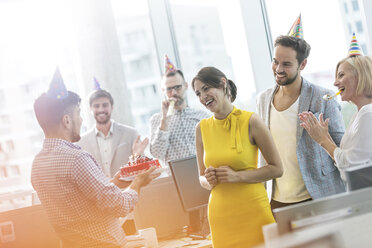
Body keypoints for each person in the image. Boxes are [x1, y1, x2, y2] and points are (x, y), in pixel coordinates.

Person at [31, 69, 158, 248]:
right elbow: (119, 206)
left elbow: (83, 200)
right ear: (67, 120)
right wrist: (138, 182)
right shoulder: (77, 158)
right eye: (79, 114)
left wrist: (120, 178)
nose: (81, 120)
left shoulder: (37, 164)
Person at [192, 66, 283, 247]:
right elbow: (201, 177)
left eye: (206, 89)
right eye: (198, 93)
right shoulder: (201, 129)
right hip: (221, 217)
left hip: (254, 211)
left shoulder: (251, 121)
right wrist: (208, 180)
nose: (203, 97)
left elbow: (277, 169)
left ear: (223, 84)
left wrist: (238, 176)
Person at [257, 35, 346, 210]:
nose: (278, 69)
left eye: (287, 64)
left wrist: (322, 137)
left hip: (319, 195)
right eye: (275, 62)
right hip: (277, 200)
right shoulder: (263, 99)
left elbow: (340, 151)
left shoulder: (323, 98)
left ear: (302, 64)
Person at [299, 53, 372, 181]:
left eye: (341, 75)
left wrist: (323, 140)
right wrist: (324, 137)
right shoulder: (358, 115)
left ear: (360, 76)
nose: (335, 83)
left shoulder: (367, 114)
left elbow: (352, 163)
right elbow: (345, 160)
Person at [77, 87, 148, 178]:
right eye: (96, 106)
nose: (101, 109)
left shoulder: (131, 134)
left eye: (105, 105)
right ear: (90, 109)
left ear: (112, 107)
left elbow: (143, 170)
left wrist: (138, 156)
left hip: (128, 189)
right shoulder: (81, 142)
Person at [149, 56, 210, 163]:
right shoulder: (156, 120)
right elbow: (157, 154)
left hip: (204, 175)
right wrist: (164, 121)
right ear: (163, 90)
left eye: (178, 87)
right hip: (175, 178)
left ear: (186, 86)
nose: (174, 93)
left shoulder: (202, 116)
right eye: (169, 89)